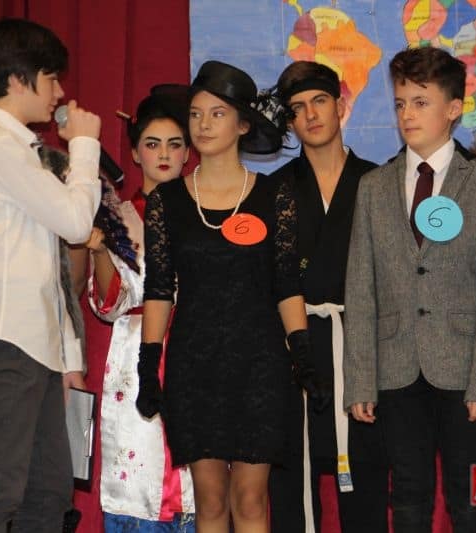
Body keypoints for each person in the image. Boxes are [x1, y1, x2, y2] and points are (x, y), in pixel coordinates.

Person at [138, 60, 323, 533]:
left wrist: (302, 352)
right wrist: (148, 361)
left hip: (261, 364)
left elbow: (286, 284)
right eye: (196, 114)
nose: (203, 125)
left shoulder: (273, 195)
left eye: (217, 114)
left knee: (251, 499)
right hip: (194, 365)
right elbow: (158, 288)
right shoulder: (166, 201)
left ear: (243, 125)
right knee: (211, 499)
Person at [343, 46, 476, 533]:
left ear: (454, 108)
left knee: (469, 497)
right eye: (401, 103)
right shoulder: (373, 187)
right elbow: (360, 288)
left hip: (463, 369)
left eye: (421, 102)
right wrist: (361, 380)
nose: (407, 114)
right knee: (408, 495)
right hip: (395, 368)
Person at [0, 18, 101, 532]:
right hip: (9, 337)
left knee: (48, 491)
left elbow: (43, 267)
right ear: (19, 80)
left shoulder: (16, 149)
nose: (59, 93)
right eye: (52, 78)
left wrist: (68, 357)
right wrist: (85, 146)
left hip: (33, 343)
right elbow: (76, 223)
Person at [267, 61, 387, 532]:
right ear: (290, 122)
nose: (311, 115)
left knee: (366, 484)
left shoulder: (378, 182)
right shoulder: (274, 190)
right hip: (292, 351)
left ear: (340, 105)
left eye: (319, 101)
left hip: (360, 350)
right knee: (290, 487)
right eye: (298, 108)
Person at [87, 87, 195, 532]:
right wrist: (98, 251)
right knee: (138, 477)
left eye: (174, 144)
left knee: (200, 481)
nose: (164, 154)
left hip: (196, 347)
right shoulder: (117, 215)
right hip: (136, 352)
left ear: (188, 151)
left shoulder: (207, 213)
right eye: (152, 144)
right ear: (134, 152)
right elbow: (109, 303)